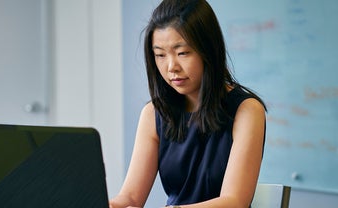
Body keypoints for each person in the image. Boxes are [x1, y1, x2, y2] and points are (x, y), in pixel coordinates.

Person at [109, 0, 266, 207]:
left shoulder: (246, 111)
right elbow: (130, 198)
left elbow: (234, 202)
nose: (171, 67)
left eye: (182, 53)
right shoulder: (154, 113)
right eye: (160, 55)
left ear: (208, 50)